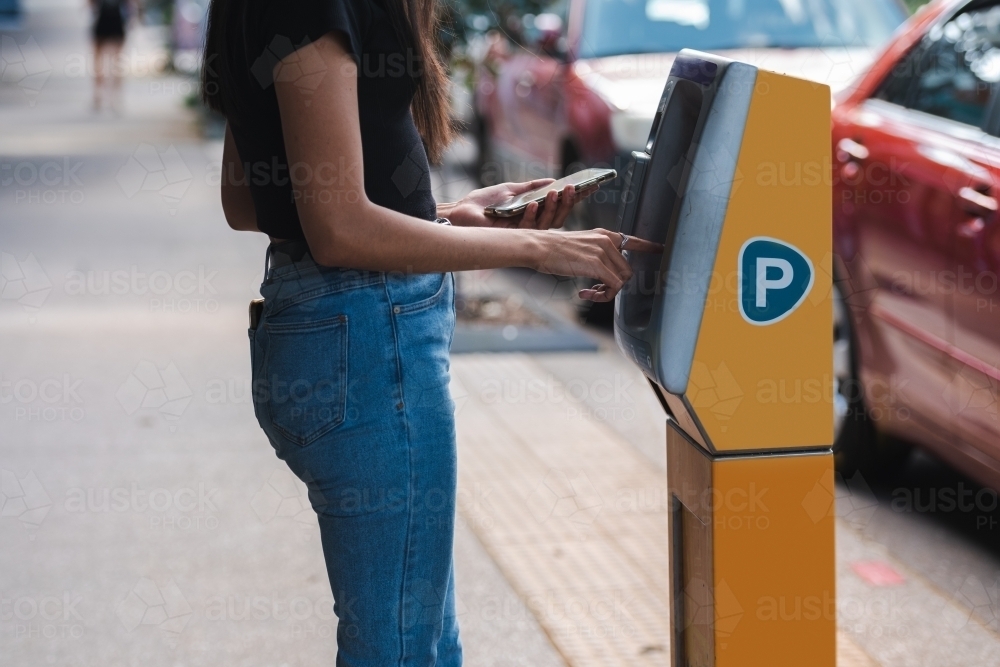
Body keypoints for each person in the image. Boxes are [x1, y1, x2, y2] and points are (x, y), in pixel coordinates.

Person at [201, 0, 660, 663]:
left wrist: (447, 214)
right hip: (367, 342)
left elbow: (252, 199)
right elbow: (337, 228)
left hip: (331, 332)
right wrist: (540, 250)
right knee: (403, 647)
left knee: (425, 641)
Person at [90, 0, 130, 112]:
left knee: (98, 60)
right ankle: (115, 96)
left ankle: (98, 94)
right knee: (117, 61)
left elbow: (90, 5)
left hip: (102, 20)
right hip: (117, 21)